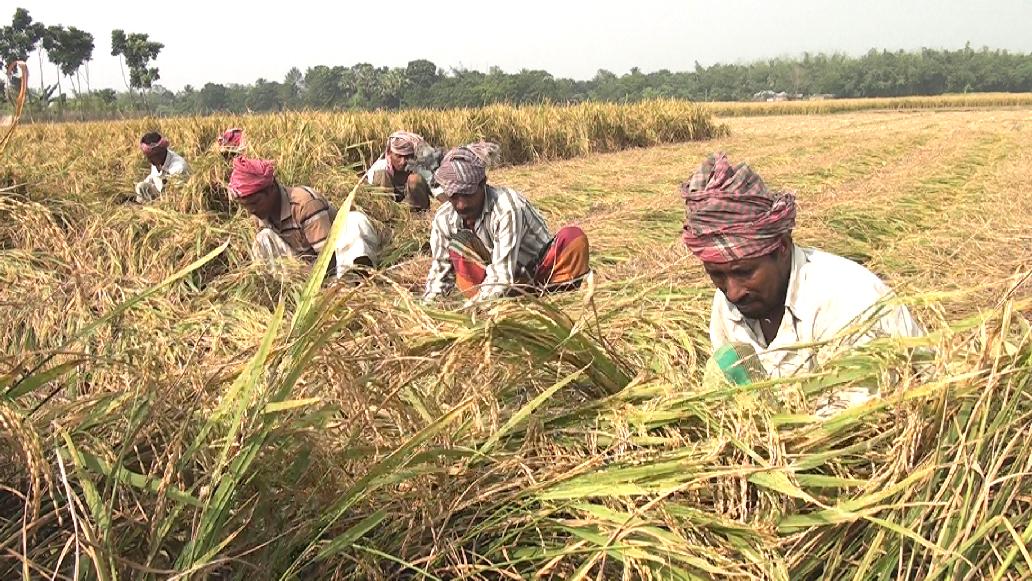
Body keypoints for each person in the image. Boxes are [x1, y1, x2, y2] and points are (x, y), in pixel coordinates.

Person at [682, 153, 924, 415]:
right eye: (716, 274)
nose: (732, 291)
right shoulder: (728, 304)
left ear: (782, 247)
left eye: (745, 272)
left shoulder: (847, 302)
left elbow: (860, 422)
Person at [423, 142, 590, 305]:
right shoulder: (444, 218)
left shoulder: (507, 207)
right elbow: (440, 274)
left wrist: (472, 308)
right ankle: (491, 305)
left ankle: (556, 295)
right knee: (459, 246)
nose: (460, 204)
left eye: (467, 194)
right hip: (495, 281)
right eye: (453, 196)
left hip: (540, 271)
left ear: (483, 183)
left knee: (573, 238)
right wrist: (427, 312)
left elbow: (502, 275)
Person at [228, 157, 381, 278]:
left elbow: (328, 258)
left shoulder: (305, 204)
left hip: (335, 259)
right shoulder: (260, 213)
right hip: (306, 265)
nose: (251, 210)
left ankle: (352, 280)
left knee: (355, 220)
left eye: (255, 203)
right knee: (264, 238)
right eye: (246, 206)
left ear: (271, 189)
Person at [365, 130, 442, 211]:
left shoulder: (419, 168)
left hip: (414, 213)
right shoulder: (380, 167)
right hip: (389, 211)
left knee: (415, 179)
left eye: (407, 157)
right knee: (381, 175)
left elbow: (437, 189)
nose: (403, 162)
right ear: (389, 153)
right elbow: (367, 191)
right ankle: (384, 211)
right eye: (398, 156)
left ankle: (418, 213)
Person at [134, 132, 189, 202]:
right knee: (141, 186)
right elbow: (153, 176)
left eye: (151, 157)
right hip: (160, 193)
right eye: (147, 156)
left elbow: (178, 195)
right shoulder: (157, 161)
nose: (148, 160)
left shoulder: (178, 167)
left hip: (174, 198)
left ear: (160, 153)